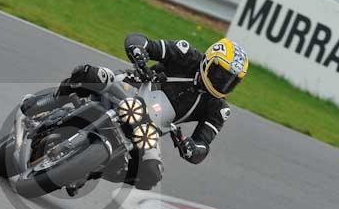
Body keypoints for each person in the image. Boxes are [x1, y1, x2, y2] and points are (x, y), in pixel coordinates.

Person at [24, 34, 249, 190]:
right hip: (130, 88)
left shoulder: (218, 109)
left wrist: (192, 148)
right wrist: (140, 55)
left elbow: (203, 145)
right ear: (209, 61)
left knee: (151, 174)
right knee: (89, 73)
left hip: (149, 127)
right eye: (221, 73)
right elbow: (138, 40)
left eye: (231, 80)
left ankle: (90, 169)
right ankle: (51, 101)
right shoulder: (186, 55)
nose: (223, 82)